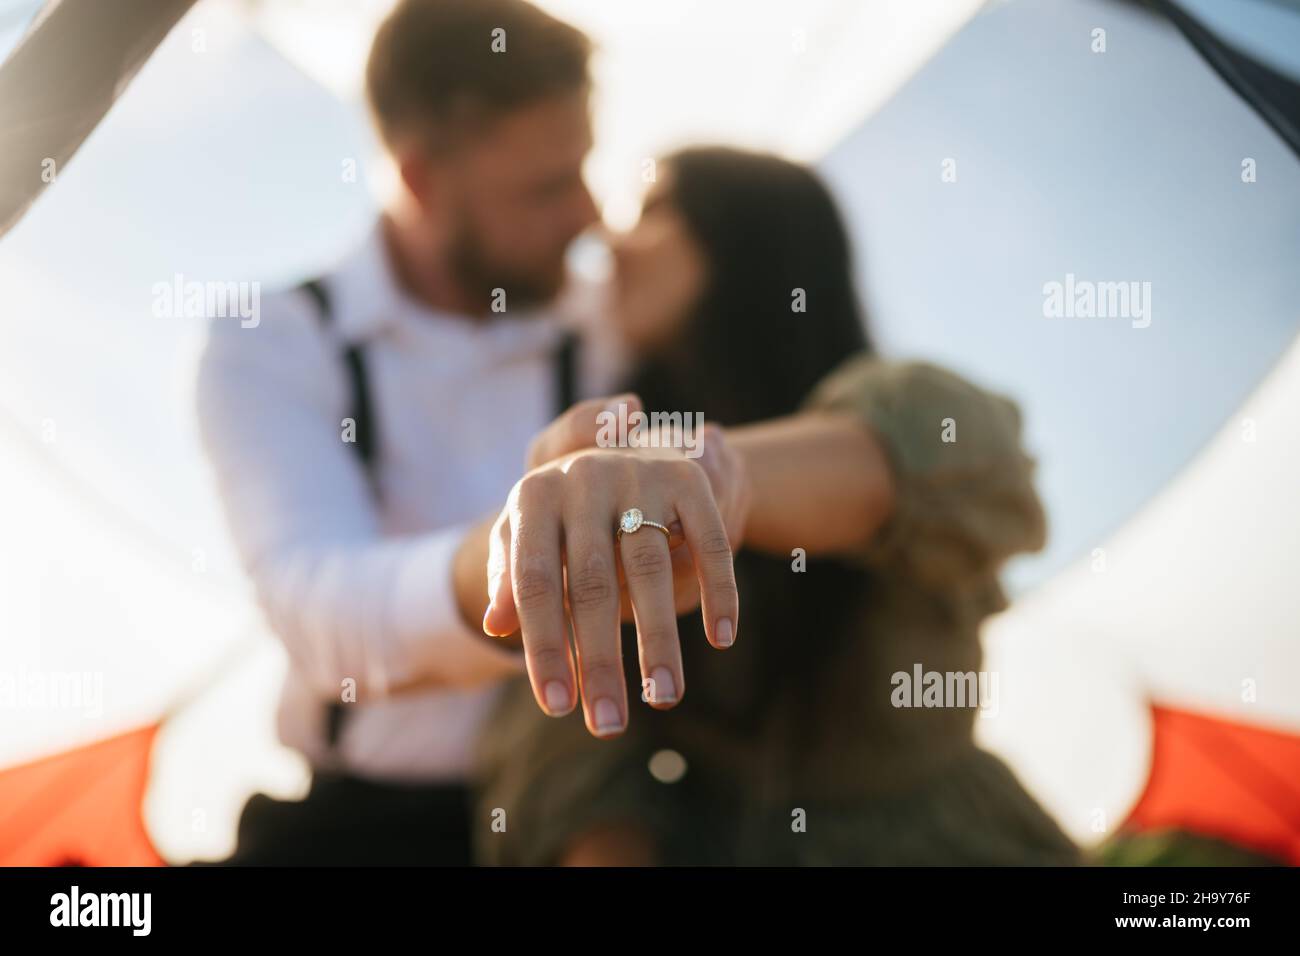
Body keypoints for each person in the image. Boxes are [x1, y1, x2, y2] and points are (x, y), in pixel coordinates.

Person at [195, 0, 736, 864]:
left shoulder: (614, 325)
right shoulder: (274, 340)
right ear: (418, 181)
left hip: (590, 808)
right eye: (547, 186)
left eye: (585, 166)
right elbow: (317, 607)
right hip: (363, 829)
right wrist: (526, 555)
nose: (590, 216)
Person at [471, 147, 1082, 866]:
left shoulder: (905, 403)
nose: (608, 239)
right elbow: (579, 754)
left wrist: (689, 471)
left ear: (751, 239)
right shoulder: (615, 445)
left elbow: (919, 469)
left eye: (655, 210)